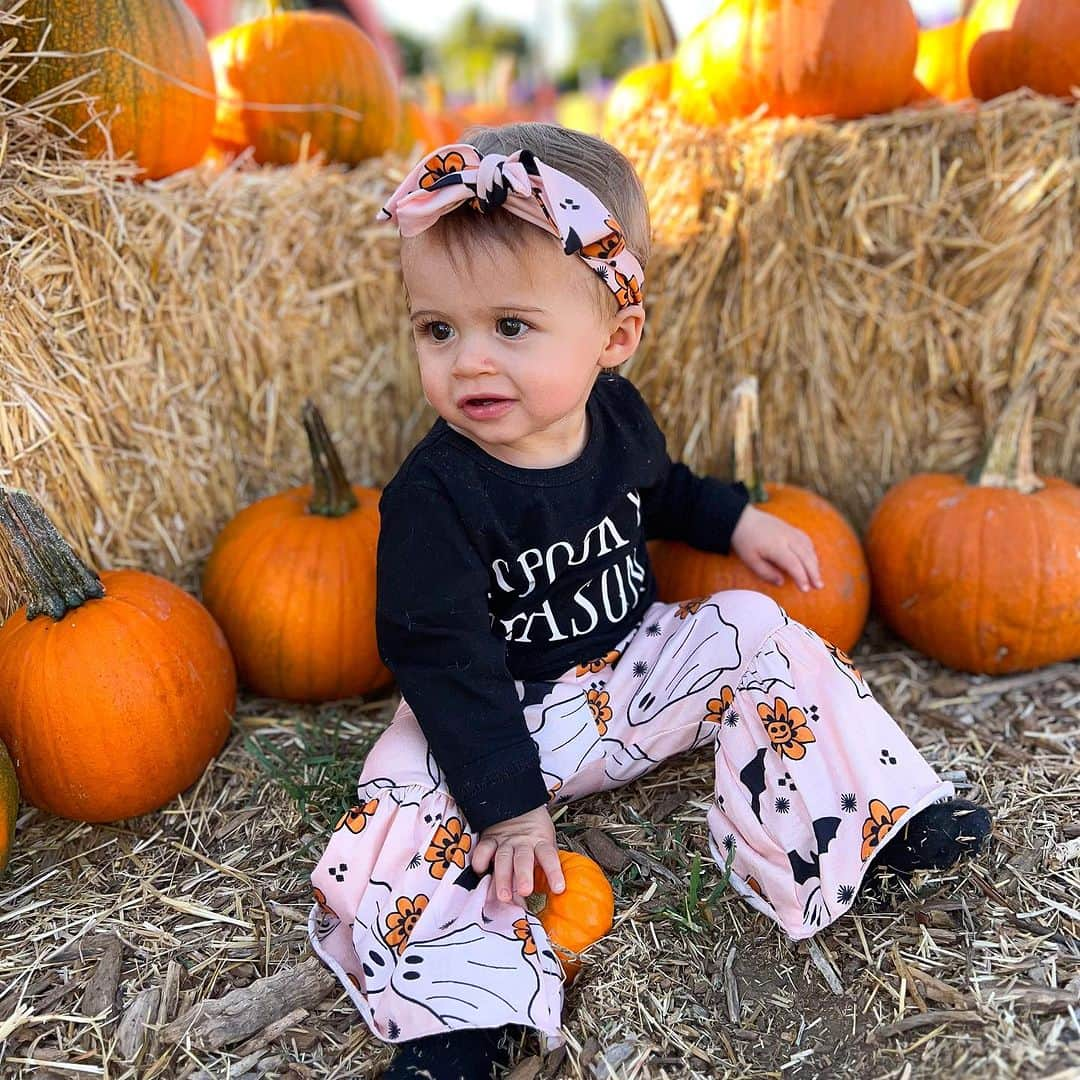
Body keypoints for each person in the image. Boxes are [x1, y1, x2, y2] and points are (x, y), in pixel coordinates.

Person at [308, 123, 991, 1080]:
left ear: (614, 337)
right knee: (403, 801)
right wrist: (505, 806)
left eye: (510, 327)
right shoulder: (433, 496)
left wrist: (734, 521)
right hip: (501, 723)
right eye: (438, 329)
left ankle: (870, 823)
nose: (468, 362)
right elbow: (441, 655)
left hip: (628, 682)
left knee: (753, 626)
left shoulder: (616, 417)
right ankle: (460, 1014)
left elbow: (660, 490)